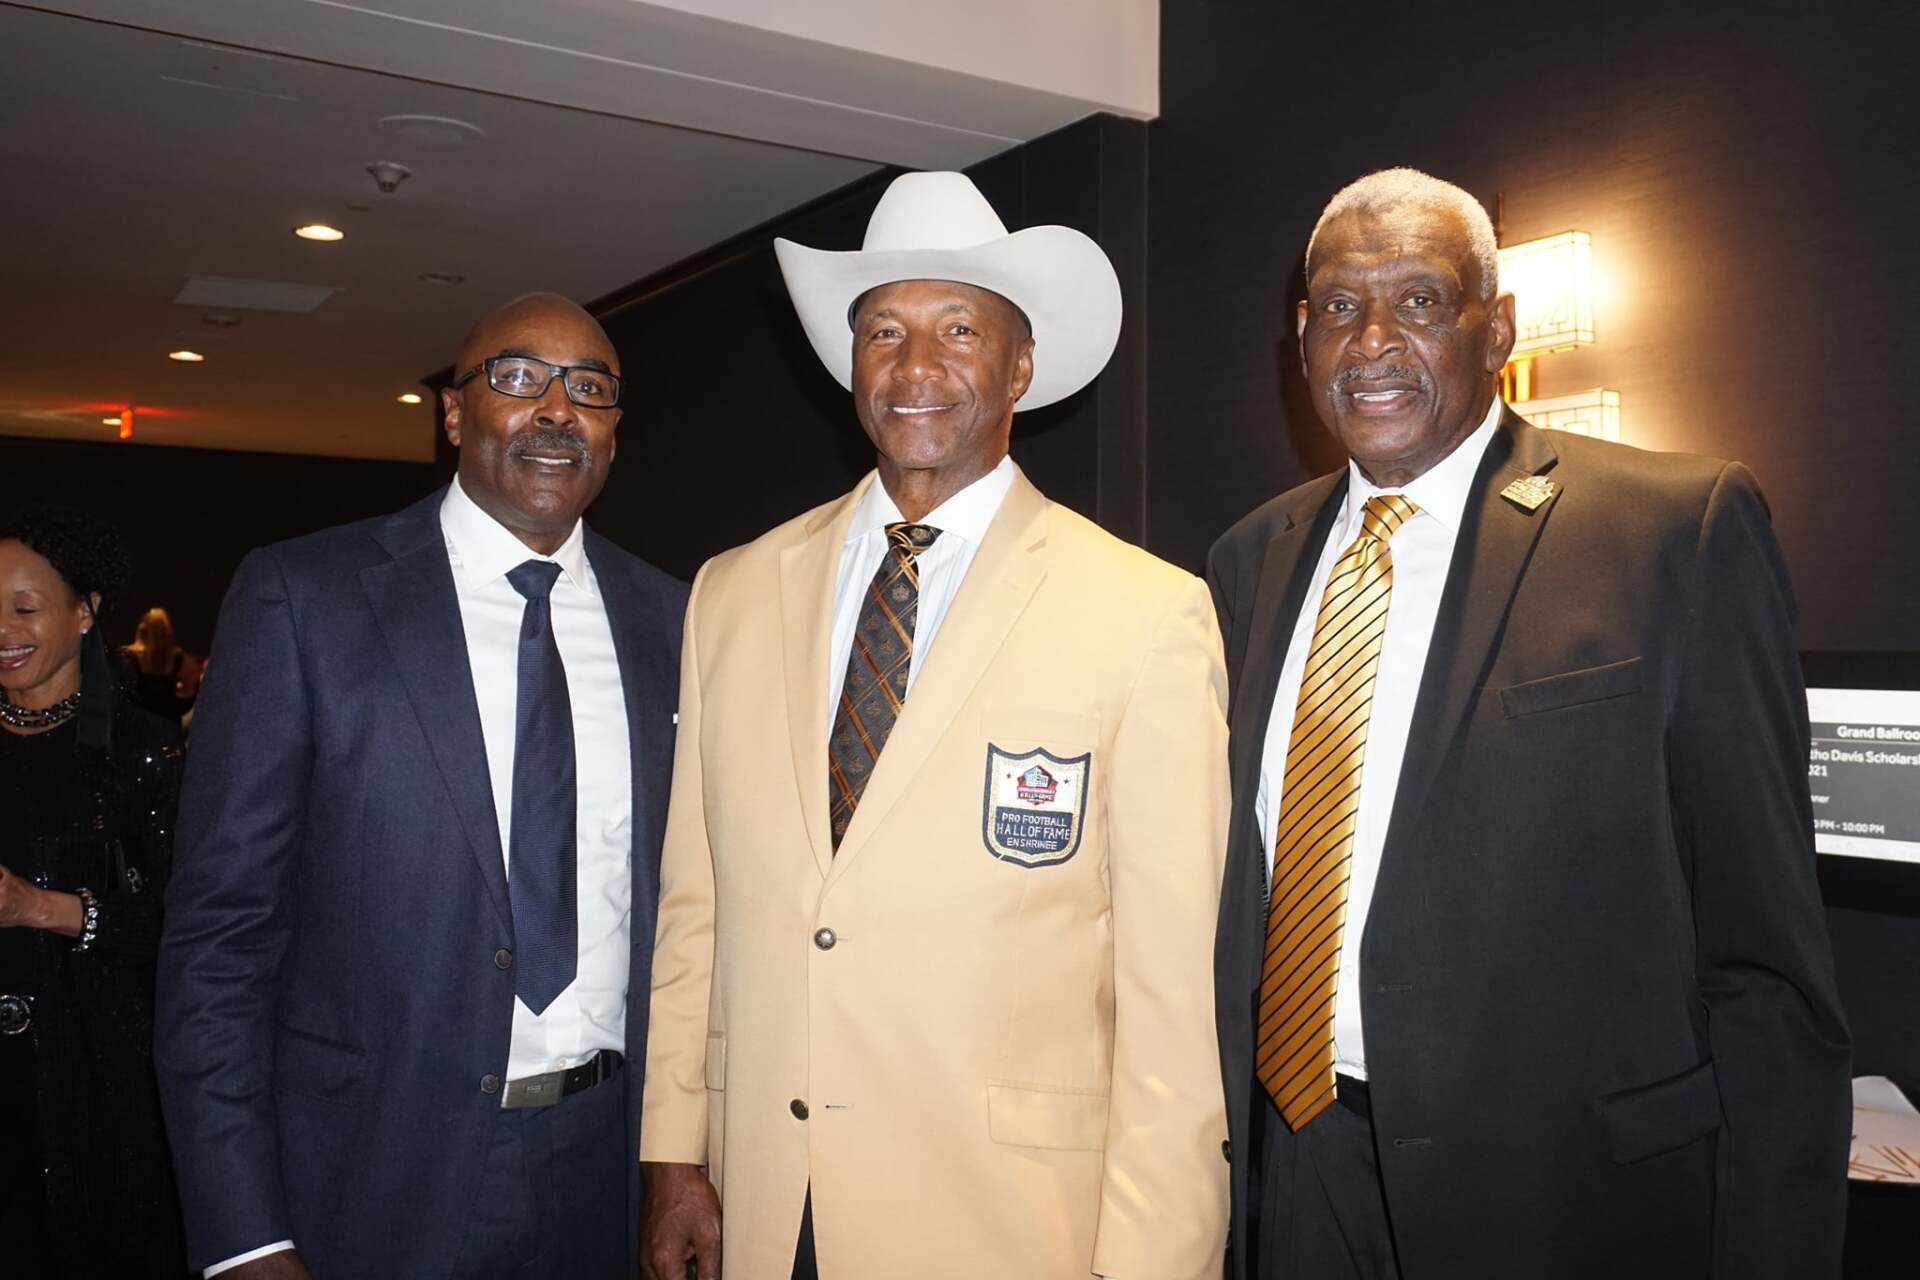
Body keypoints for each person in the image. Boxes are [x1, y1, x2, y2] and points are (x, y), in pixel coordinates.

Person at [1207, 168, 1851, 1279]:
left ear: (1495, 326)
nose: (1372, 341)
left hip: (1562, 1196)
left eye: (1418, 300)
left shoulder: (1672, 531)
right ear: (1302, 338)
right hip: (1292, 1174)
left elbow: (1766, 960)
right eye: (1341, 308)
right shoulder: (1245, 561)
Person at [639, 171, 1230, 1280]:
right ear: (851, 364)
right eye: (884, 331)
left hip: (1008, 1223)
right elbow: (697, 904)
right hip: (768, 1199)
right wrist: (675, 1150)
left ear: (1021, 363)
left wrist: (1155, 1257)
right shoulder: (731, 589)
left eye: (960, 328)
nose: (917, 368)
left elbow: (1170, 993)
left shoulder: (1146, 612)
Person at [155, 293, 687, 1278]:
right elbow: (219, 942)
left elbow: (690, 914)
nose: (557, 410)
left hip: (610, 1166)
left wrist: (681, 1158)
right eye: (520, 377)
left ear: (615, 430)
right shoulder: (304, 597)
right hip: (377, 1175)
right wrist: (244, 1233)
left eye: (591, 389)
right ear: (452, 412)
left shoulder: (673, 619)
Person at [0, 508, 188, 1277]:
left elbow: (192, 928)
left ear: (84, 611)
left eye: (23, 607)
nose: (2, 629)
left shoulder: (145, 754)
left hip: (102, 1082)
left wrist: (41, 909)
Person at [121, 606, 203, 725]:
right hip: (167, 720)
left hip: (138, 722)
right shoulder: (177, 658)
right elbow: (190, 691)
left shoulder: (129, 655)